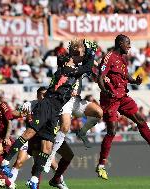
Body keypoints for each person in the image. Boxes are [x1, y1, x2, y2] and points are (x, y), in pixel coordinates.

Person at [0, 39, 96, 189]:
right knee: (29, 133)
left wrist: (87, 53)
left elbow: (85, 67)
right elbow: (87, 66)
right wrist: (91, 52)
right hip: (47, 105)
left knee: (47, 147)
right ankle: (5, 163)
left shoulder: (71, 71)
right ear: (66, 62)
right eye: (72, 59)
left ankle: (34, 179)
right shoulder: (66, 70)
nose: (74, 61)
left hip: (55, 110)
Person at [96, 34, 150, 180]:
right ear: (120, 43)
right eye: (127, 43)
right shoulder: (109, 57)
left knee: (140, 120)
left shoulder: (122, 60)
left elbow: (126, 77)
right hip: (111, 99)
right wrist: (105, 90)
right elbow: (100, 77)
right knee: (112, 131)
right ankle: (101, 165)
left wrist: (136, 81)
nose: (129, 46)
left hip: (123, 97)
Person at [43, 40, 103, 173]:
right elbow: (87, 66)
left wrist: (97, 69)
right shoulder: (67, 63)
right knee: (65, 126)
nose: (80, 52)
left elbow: (95, 74)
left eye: (81, 50)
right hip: (65, 101)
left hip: (77, 101)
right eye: (78, 50)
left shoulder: (83, 63)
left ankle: (82, 132)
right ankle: (50, 158)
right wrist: (91, 55)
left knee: (98, 112)